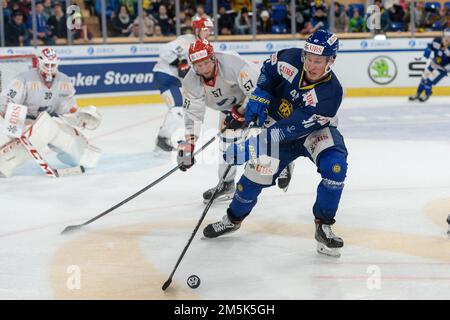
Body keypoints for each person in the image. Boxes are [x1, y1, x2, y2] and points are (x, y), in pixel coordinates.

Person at [202, 30, 348, 258]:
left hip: (311, 131)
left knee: (335, 167)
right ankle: (232, 220)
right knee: (251, 181)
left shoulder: (331, 93)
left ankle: (323, 226)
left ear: (332, 60)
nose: (311, 65)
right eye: (308, 58)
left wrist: (251, 146)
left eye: (318, 61)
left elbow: (291, 128)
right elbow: (268, 73)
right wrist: (260, 93)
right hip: (277, 127)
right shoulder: (289, 58)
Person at [176, 39, 260, 203]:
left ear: (213, 58)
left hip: (256, 100)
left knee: (264, 136)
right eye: (198, 65)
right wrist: (189, 145)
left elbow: (257, 92)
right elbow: (193, 115)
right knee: (226, 143)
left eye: (206, 63)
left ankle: (283, 164)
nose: (203, 69)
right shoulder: (191, 82)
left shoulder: (233, 64)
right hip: (229, 108)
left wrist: (242, 112)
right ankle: (227, 183)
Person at [0, 48, 102, 177]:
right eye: (46, 64)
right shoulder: (23, 79)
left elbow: (65, 107)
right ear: (39, 63)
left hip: (49, 121)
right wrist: (12, 121)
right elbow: (7, 101)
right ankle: (4, 164)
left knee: (78, 149)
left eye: (52, 65)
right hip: (26, 121)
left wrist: (78, 116)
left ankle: (83, 157)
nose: (49, 68)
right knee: (44, 128)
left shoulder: (64, 81)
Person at [153, 17, 213, 152]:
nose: (208, 33)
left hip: (173, 79)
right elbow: (164, 51)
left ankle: (163, 138)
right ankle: (162, 140)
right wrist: (177, 62)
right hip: (165, 76)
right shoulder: (187, 41)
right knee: (177, 108)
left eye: (210, 30)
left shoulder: (199, 45)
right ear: (197, 30)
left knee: (181, 109)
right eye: (205, 29)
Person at [409, 28, 450, 102]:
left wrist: (447, 67)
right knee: (423, 78)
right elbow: (430, 46)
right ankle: (418, 94)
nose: (447, 38)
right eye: (446, 36)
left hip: (442, 69)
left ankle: (427, 94)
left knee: (429, 81)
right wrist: (428, 49)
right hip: (434, 64)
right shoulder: (437, 41)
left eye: (449, 37)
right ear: (443, 36)